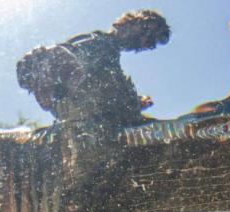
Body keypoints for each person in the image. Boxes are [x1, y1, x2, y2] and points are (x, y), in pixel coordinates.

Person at [16, 9, 170, 125]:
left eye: (151, 42)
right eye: (146, 30)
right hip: (86, 126)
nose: (146, 41)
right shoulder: (96, 42)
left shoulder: (109, 53)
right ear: (125, 23)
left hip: (97, 121)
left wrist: (133, 103)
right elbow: (48, 64)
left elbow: (99, 91)